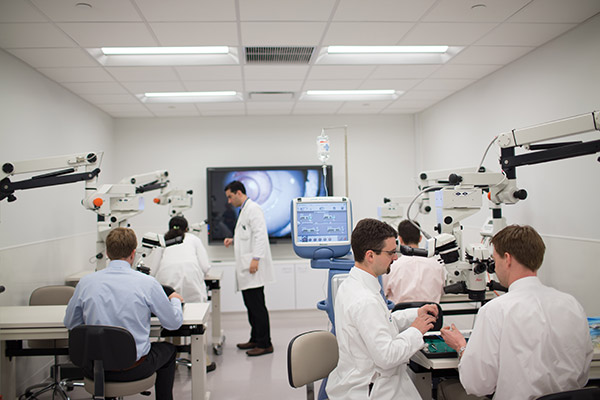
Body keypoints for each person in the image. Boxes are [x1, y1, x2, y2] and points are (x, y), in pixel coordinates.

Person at [439, 224, 593, 400]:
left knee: (447, 388)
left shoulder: (496, 310)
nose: (494, 268)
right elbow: (582, 375)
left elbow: (477, 385)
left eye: (495, 261)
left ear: (507, 258)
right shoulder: (571, 304)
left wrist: (461, 346)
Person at [64, 227, 184, 400]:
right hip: (133, 369)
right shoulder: (147, 283)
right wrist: (174, 300)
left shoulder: (86, 283)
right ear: (133, 253)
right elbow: (173, 324)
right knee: (169, 350)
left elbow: (70, 323)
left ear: (107, 252)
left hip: (94, 368)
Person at [326, 218, 439, 400]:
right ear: (370, 255)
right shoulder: (365, 300)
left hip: (364, 378)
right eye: (391, 253)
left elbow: (382, 323)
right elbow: (387, 357)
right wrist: (415, 331)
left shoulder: (353, 284)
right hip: (372, 390)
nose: (395, 257)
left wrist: (414, 314)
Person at [223, 180, 275, 356]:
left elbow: (260, 235)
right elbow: (247, 235)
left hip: (253, 266)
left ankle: (265, 343)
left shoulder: (253, 209)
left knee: (257, 306)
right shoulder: (244, 210)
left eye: (230, 196)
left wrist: (256, 259)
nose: (229, 201)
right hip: (248, 266)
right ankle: (255, 338)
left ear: (239, 193)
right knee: (250, 305)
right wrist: (234, 239)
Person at [383, 219, 446, 304]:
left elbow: (383, 292)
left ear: (400, 239)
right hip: (431, 315)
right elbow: (441, 291)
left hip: (401, 315)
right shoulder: (437, 265)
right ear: (420, 238)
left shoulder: (393, 266)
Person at [153, 215, 211, 303]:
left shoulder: (162, 241)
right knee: (195, 312)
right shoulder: (194, 239)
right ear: (187, 229)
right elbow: (205, 267)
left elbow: (153, 270)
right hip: (192, 282)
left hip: (166, 282)